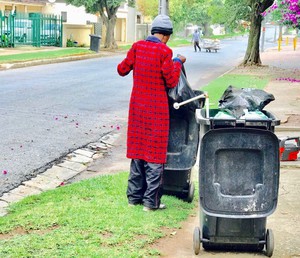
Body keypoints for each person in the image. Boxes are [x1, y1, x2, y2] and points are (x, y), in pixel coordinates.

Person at [117, 14, 186, 212]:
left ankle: (133, 198)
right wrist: (178, 62)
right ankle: (150, 203)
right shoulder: (165, 51)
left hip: (137, 107)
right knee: (154, 154)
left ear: (152, 32)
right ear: (166, 36)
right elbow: (172, 80)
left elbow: (122, 70)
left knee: (138, 150)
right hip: (157, 110)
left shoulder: (137, 47)